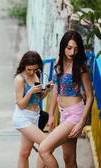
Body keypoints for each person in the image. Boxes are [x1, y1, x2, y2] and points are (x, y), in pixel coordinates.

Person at [38, 30, 94, 167]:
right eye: (69, 48)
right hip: (63, 114)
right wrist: (51, 115)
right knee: (69, 159)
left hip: (75, 115)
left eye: (75, 49)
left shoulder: (81, 68)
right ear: (63, 46)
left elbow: (90, 96)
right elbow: (56, 89)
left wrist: (81, 123)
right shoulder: (59, 63)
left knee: (44, 149)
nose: (72, 52)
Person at [12, 51, 53, 168]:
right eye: (29, 69)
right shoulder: (20, 79)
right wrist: (30, 91)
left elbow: (38, 98)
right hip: (23, 117)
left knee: (25, 153)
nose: (32, 72)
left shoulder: (37, 75)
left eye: (35, 69)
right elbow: (20, 104)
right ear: (24, 65)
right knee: (47, 145)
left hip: (35, 116)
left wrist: (46, 91)